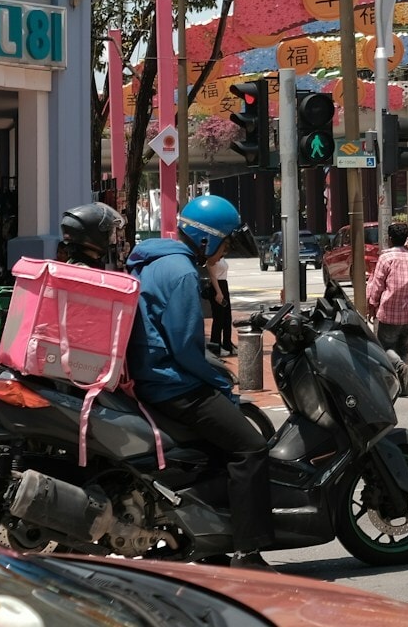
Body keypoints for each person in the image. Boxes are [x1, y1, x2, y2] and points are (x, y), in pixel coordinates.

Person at [126, 194, 273, 569]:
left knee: (218, 451)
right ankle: (248, 552)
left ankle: (209, 540)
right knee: (251, 448)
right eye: (224, 243)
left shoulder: (157, 261)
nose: (224, 251)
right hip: (172, 383)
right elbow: (185, 348)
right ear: (206, 239)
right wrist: (221, 378)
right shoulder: (183, 272)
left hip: (153, 376)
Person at [367, 223, 408, 395]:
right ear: (406, 239)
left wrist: (372, 306)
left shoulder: (385, 258)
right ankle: (404, 384)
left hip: (388, 312)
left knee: (384, 348)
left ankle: (400, 370)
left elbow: (377, 286)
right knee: (404, 350)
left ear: (389, 239)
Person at [56, 203, 125, 268]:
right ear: (96, 234)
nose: (111, 238)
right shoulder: (85, 271)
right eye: (109, 232)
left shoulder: (73, 265)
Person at [207, 255, 236, 357]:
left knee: (227, 318)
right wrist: (219, 292)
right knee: (219, 318)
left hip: (224, 284)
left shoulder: (221, 256)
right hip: (217, 287)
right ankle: (215, 345)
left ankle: (227, 344)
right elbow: (213, 276)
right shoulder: (212, 257)